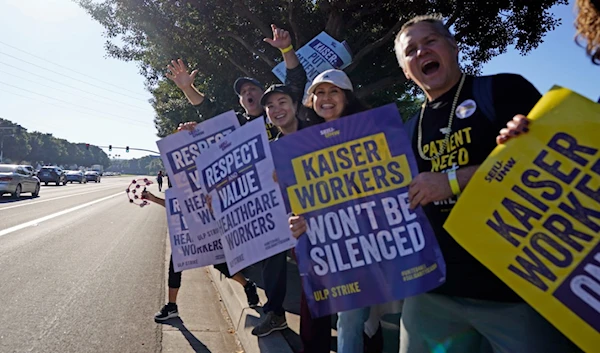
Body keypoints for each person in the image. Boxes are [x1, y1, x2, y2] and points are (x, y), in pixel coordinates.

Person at [392, 14, 580, 353]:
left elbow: (555, 163)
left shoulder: (504, 89)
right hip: (433, 294)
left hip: (515, 289)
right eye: (411, 51)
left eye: (430, 42)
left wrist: (453, 180)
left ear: (453, 46)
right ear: (406, 71)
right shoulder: (406, 130)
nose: (421, 53)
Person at [289, 69, 378, 353]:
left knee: (356, 317)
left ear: (346, 97)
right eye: (319, 93)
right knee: (349, 317)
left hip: (365, 240)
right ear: (311, 100)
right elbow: (299, 194)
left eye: (333, 92)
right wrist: (296, 221)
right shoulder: (304, 140)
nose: (326, 99)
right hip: (324, 243)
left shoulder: (369, 131)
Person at [141, 189, 259, 321]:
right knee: (176, 264)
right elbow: (175, 206)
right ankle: (172, 306)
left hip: (209, 233)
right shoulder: (183, 187)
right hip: (188, 234)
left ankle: (247, 286)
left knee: (221, 265)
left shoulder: (209, 184)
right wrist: (154, 199)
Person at [166, 59, 279, 140]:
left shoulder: (279, 113)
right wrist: (187, 88)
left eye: (252, 89)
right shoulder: (237, 122)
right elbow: (208, 110)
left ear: (264, 93)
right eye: (243, 92)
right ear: (240, 101)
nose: (248, 93)